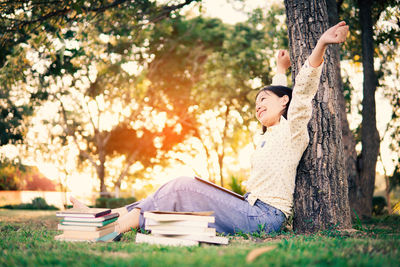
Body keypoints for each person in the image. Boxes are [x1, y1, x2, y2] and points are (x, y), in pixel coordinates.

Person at [70, 21, 349, 235]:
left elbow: (302, 91)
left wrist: (321, 44)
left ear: (284, 102)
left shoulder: (293, 130)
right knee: (171, 192)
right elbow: (280, 92)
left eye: (263, 100)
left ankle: (108, 226)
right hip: (248, 208)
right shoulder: (270, 135)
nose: (258, 105)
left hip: (264, 217)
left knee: (181, 185)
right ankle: (103, 218)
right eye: (256, 102)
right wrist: (279, 68)